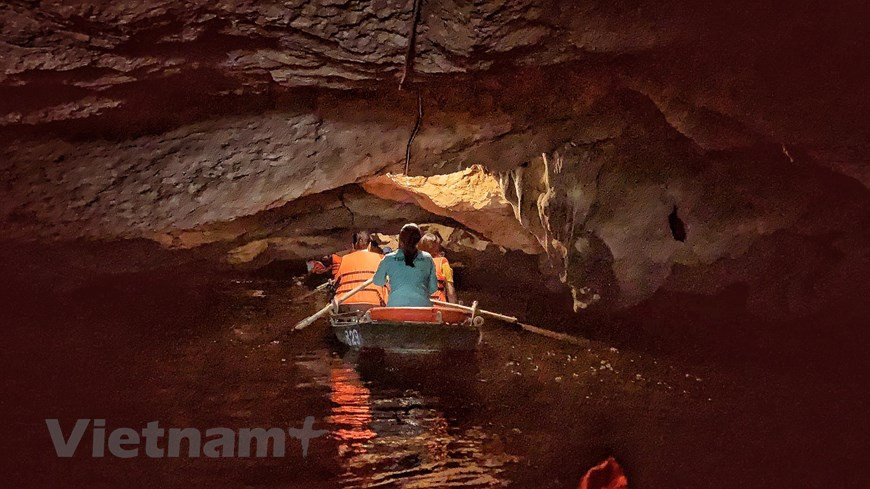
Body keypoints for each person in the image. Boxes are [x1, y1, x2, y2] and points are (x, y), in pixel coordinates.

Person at [372, 223, 438, 307]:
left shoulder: (389, 258)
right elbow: (433, 287)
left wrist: (391, 284)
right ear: (419, 240)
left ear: (401, 239)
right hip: (421, 307)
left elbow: (377, 281)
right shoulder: (427, 258)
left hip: (396, 306)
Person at [333, 230, 388, 310]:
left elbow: (336, 283)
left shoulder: (343, 260)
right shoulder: (381, 259)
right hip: (373, 303)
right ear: (369, 245)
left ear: (352, 246)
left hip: (345, 304)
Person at [417, 232, 457, 303]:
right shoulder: (443, 262)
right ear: (436, 247)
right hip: (438, 304)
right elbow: (450, 291)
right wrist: (455, 309)